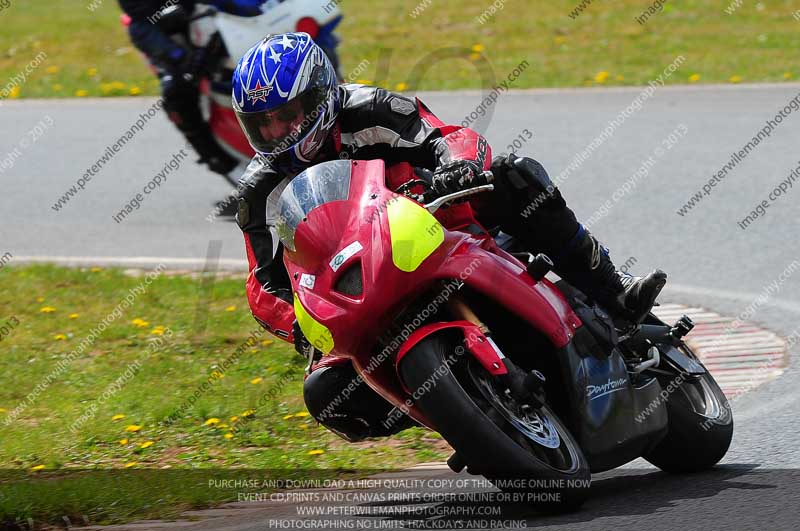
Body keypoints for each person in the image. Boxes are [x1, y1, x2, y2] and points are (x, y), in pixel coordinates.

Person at [232, 33, 667, 442]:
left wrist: (455, 165)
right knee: (327, 391)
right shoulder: (259, 191)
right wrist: (295, 323)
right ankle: (460, 415)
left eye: (286, 116)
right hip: (353, 285)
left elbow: (448, 137)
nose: (276, 133)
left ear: (319, 97)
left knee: (516, 177)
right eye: (262, 124)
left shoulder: (370, 109)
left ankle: (613, 293)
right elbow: (261, 283)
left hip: (437, 223)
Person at [118, 0, 264, 177]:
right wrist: (182, 59)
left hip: (233, 18)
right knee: (175, 93)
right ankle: (222, 163)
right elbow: (140, 22)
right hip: (177, 36)